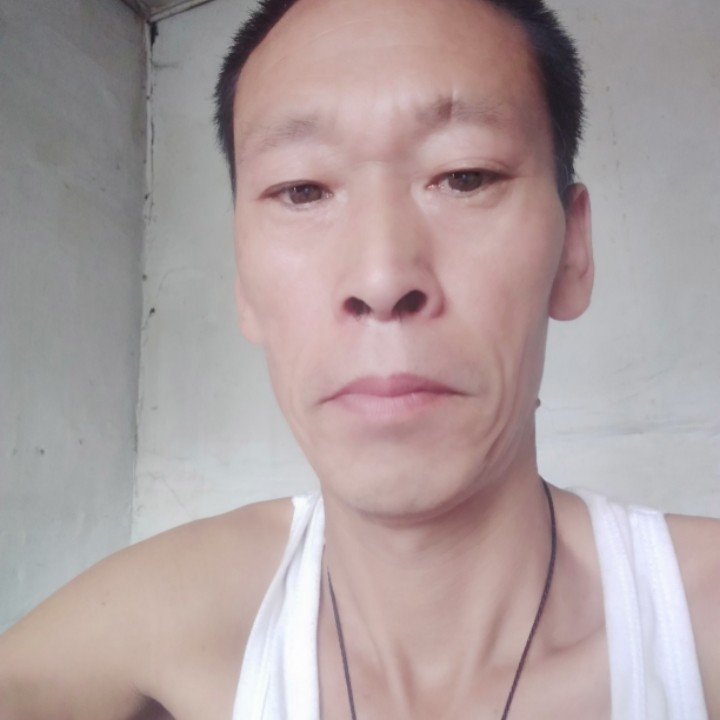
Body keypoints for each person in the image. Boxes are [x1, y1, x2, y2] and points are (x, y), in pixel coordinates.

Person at [1, 0, 718, 717]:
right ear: (244, 280)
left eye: (465, 176)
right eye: (302, 190)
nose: (380, 279)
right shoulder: (169, 612)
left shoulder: (697, 623)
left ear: (573, 251)